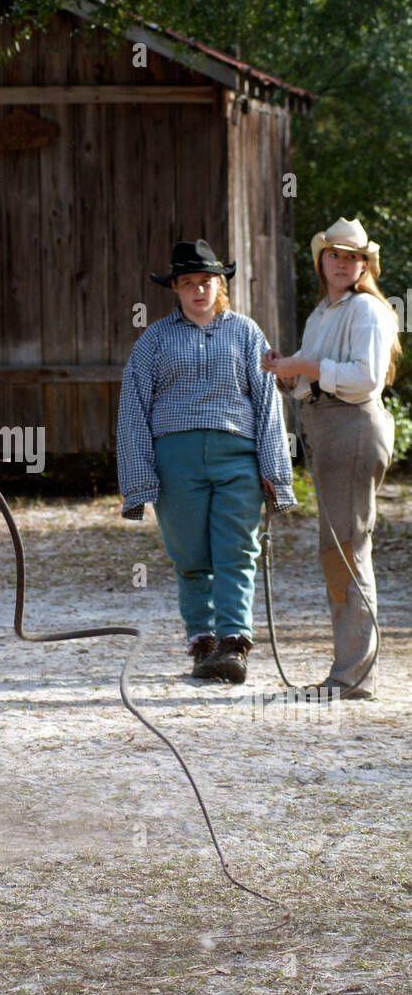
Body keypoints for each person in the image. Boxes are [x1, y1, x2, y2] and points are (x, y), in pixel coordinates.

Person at [117, 240, 295, 684]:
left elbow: (268, 404)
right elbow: (133, 409)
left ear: (221, 285)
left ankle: (234, 645)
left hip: (238, 455)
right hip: (175, 460)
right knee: (190, 555)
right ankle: (202, 644)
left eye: (207, 282)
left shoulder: (247, 333)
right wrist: (140, 477)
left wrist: (274, 470)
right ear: (175, 288)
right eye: (189, 283)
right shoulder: (154, 340)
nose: (199, 291)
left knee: (236, 550)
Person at [261, 217, 401, 700]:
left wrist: (304, 366)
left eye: (352, 256)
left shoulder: (368, 310)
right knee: (338, 547)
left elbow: (366, 379)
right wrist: (286, 372)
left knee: (346, 548)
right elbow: (309, 380)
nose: (342, 263)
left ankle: (354, 674)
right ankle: (350, 669)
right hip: (328, 428)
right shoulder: (323, 312)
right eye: (334, 255)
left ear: (365, 265)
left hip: (353, 425)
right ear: (322, 260)